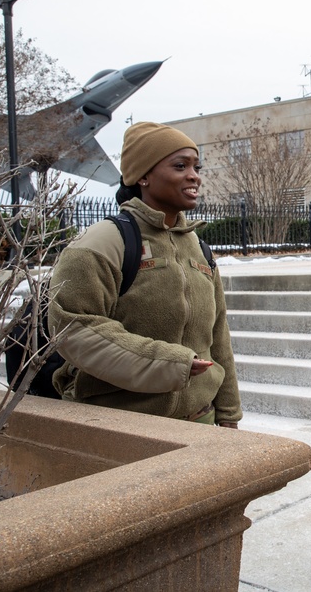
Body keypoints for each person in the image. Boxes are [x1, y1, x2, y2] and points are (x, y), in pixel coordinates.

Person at [49, 122, 242, 428]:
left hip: (199, 423)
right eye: (180, 166)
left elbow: (218, 337)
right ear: (142, 176)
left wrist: (229, 413)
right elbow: (73, 327)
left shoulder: (200, 249)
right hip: (122, 426)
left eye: (195, 166)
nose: (194, 175)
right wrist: (169, 363)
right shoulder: (103, 242)